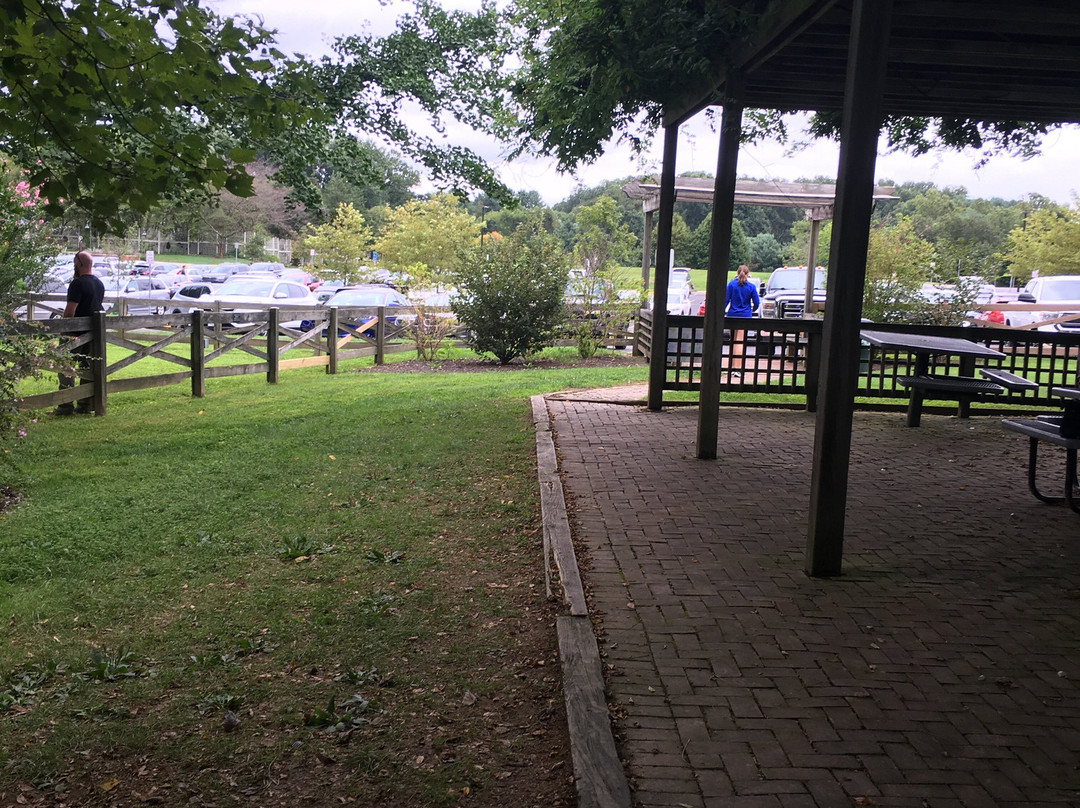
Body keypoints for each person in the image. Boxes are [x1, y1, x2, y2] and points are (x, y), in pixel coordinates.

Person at [55, 251, 105, 415]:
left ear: (79, 264)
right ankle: (84, 405)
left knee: (65, 367)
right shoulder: (99, 284)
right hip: (93, 334)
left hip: (75, 333)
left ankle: (65, 405)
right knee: (87, 368)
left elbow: (70, 312)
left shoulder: (77, 284)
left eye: (74, 263)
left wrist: (63, 330)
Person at [725, 264, 759, 379]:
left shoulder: (731, 285)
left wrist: (723, 311)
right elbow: (757, 303)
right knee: (740, 342)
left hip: (732, 315)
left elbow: (725, 300)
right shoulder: (751, 287)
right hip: (745, 316)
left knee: (733, 341)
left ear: (737, 272)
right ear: (748, 274)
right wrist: (751, 310)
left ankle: (731, 368)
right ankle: (738, 369)